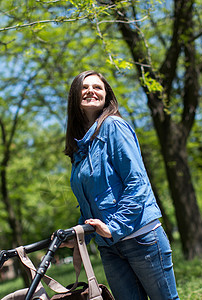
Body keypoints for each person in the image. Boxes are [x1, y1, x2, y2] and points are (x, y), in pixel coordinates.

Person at [63, 70, 180, 300]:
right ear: (75, 97)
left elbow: (138, 183)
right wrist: (80, 236)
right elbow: (92, 201)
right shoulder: (80, 147)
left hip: (141, 238)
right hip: (109, 248)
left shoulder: (114, 127)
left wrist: (114, 226)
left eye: (98, 87)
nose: (91, 91)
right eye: (84, 87)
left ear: (107, 95)